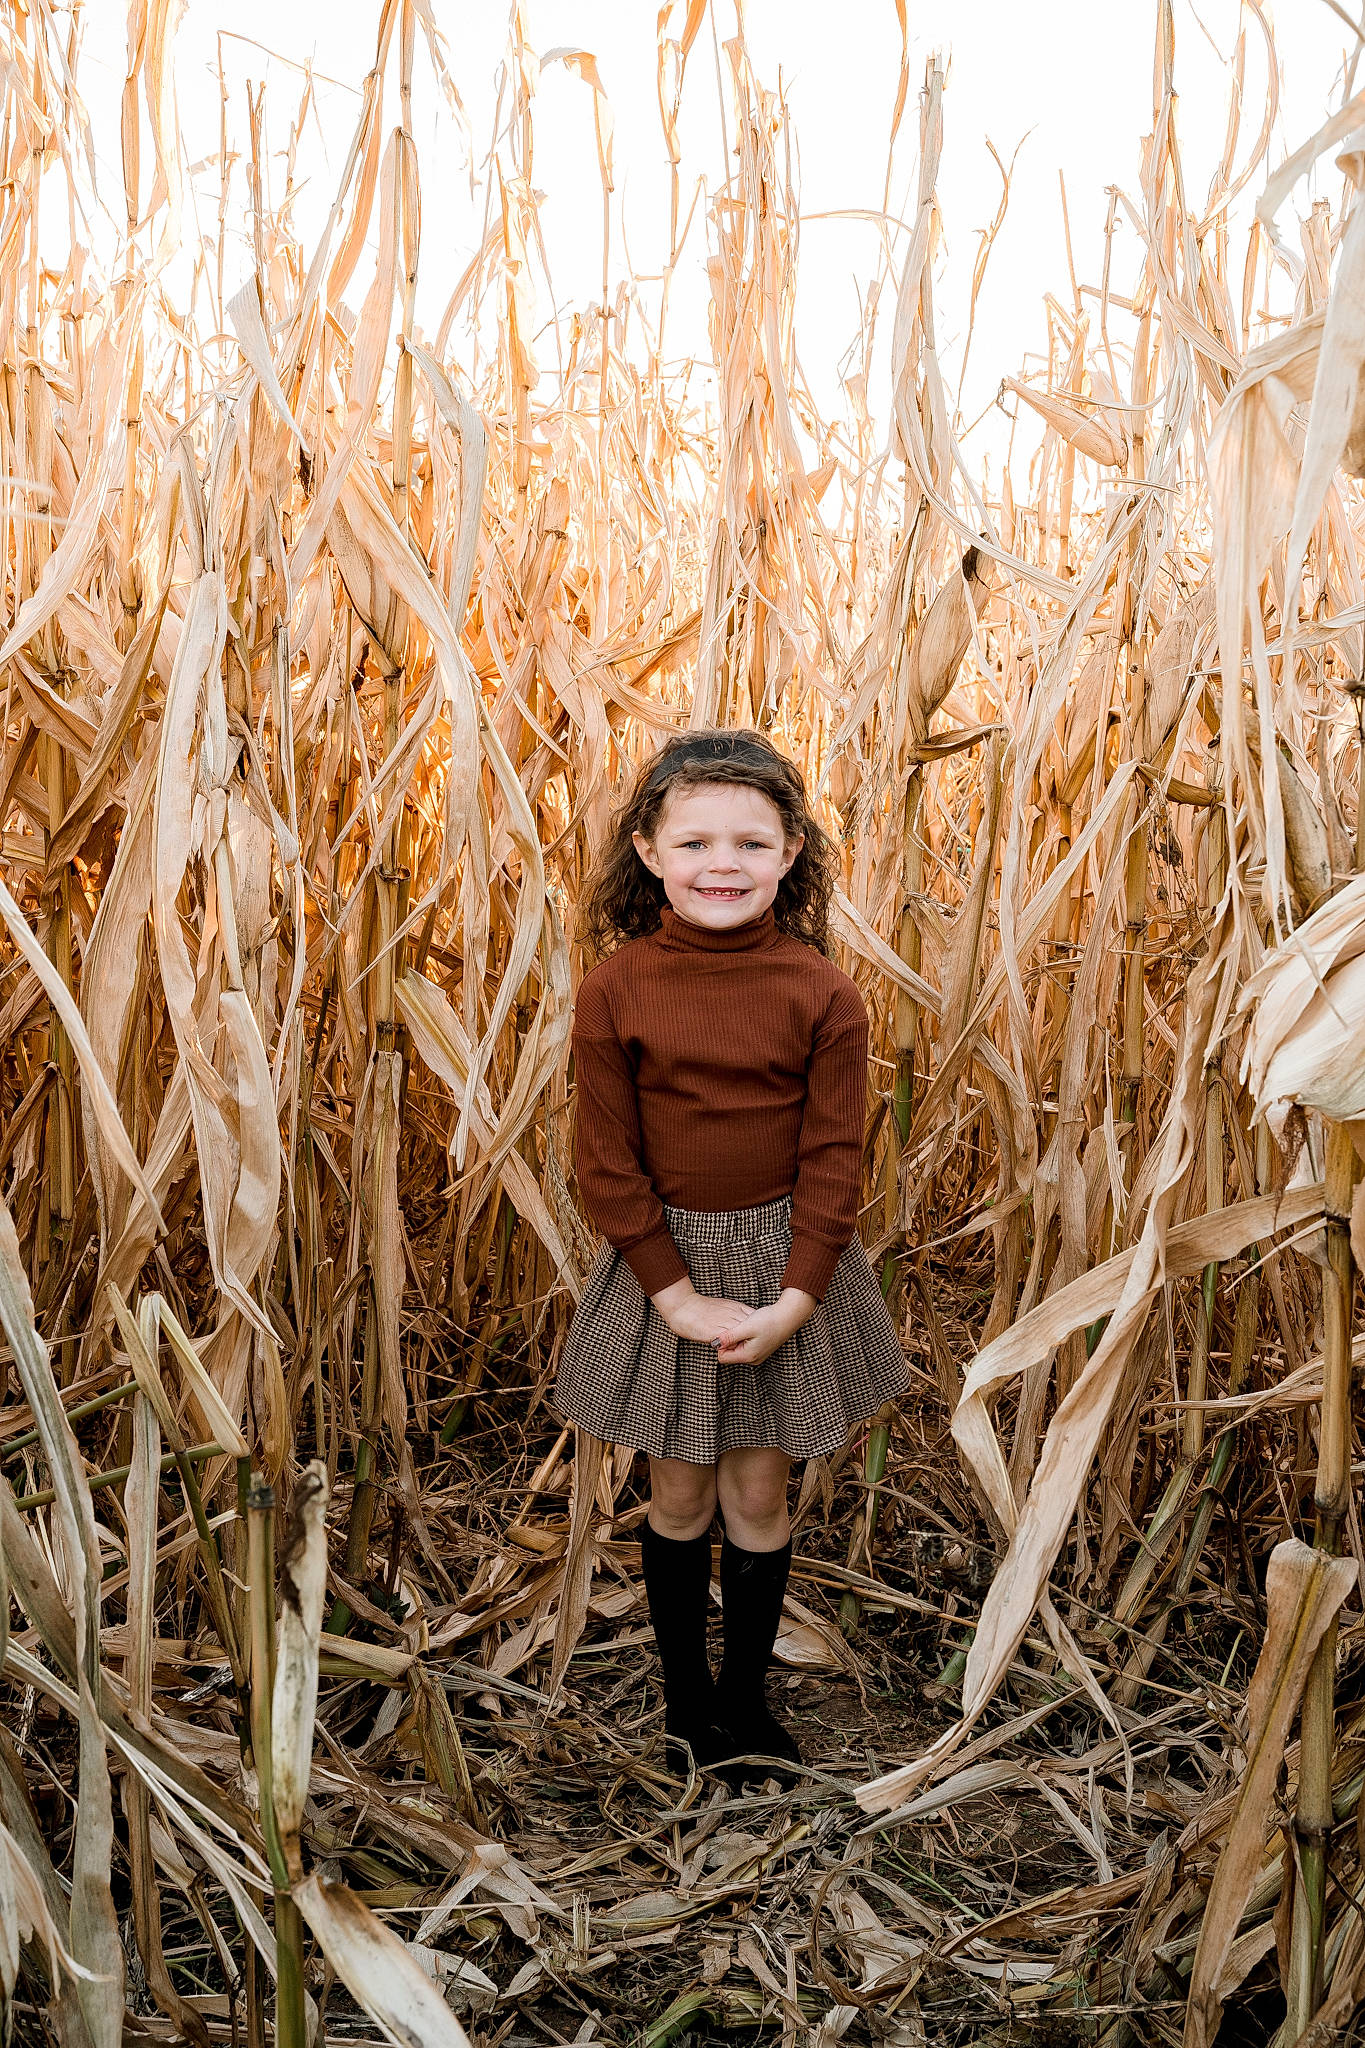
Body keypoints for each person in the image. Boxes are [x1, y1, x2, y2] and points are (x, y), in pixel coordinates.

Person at [554, 728, 910, 1775]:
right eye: (697, 839)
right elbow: (606, 1168)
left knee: (759, 1494)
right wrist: (672, 1296)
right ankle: (687, 1706)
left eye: (752, 842)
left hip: (784, 1268)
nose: (725, 864)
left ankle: (747, 1709)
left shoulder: (822, 995)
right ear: (649, 848)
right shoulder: (614, 992)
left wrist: (796, 1298)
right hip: (672, 1270)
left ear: (792, 850)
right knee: (678, 1495)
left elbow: (837, 1162)